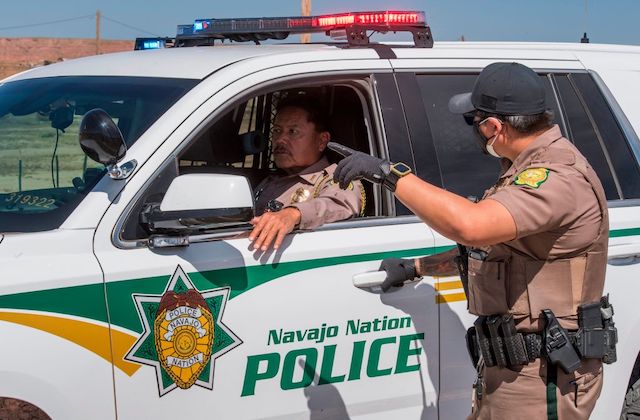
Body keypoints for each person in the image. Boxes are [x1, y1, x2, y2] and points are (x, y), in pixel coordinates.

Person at [329, 62, 615, 419]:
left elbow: (472, 226)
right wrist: (416, 268)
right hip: (511, 370)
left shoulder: (558, 176)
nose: (474, 131)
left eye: (474, 121)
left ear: (494, 127)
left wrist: (389, 175)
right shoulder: (521, 170)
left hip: (544, 376)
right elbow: (488, 250)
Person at [249, 95, 364, 251]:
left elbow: (340, 204)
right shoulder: (271, 180)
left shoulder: (337, 178)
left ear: (322, 141)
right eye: (277, 130)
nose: (280, 140)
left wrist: (293, 214)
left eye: (293, 132)